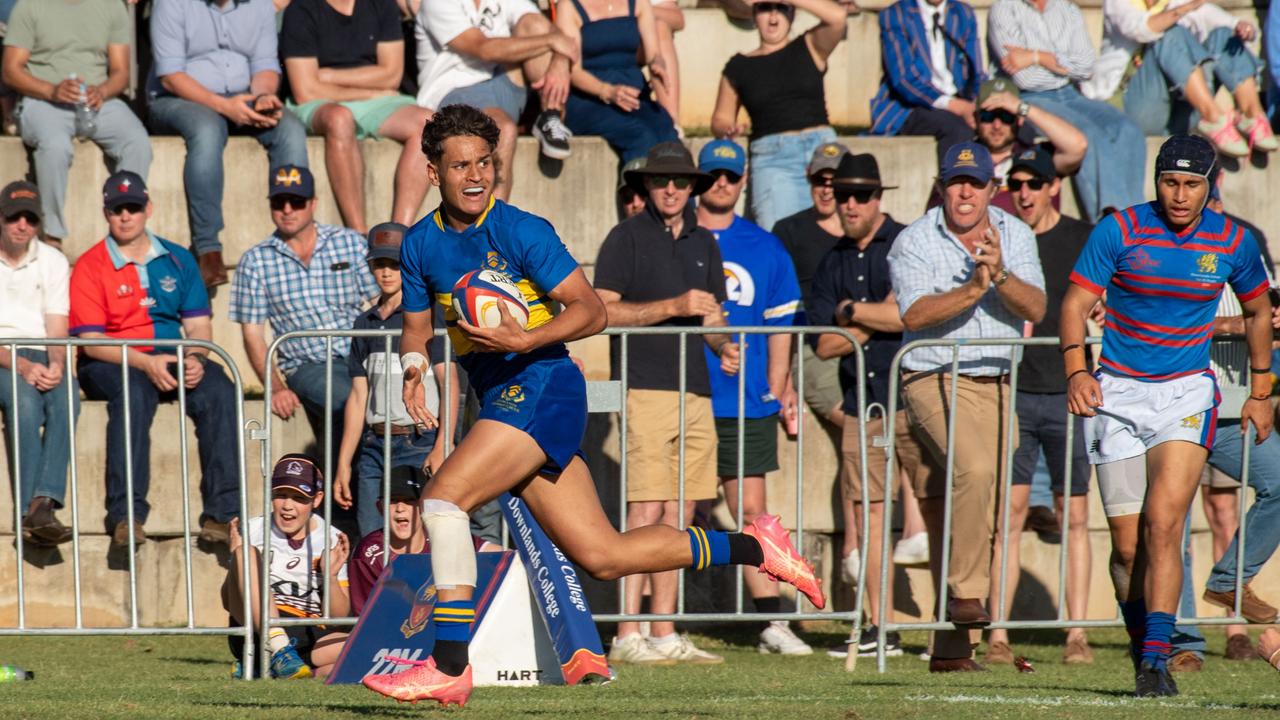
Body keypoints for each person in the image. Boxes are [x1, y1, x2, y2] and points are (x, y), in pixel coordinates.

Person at [362, 105, 822, 707]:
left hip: (544, 384)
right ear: (431, 172)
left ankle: (449, 667)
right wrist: (415, 371)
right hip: (501, 398)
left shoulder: (523, 230)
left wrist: (526, 337)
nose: (475, 176)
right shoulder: (421, 244)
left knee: (443, 500)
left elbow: (591, 310)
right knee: (603, 556)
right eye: (459, 165)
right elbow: (416, 329)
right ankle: (759, 548)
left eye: (484, 163)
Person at [1060, 135, 1273, 697]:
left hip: (1185, 397)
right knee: (1127, 548)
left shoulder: (1234, 241)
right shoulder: (1119, 231)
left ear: (1210, 186)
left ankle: (1158, 660)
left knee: (1164, 527)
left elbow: (1257, 310)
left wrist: (1260, 389)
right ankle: (1142, 645)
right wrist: (1077, 371)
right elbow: (1076, 305)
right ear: (1156, 181)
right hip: (1117, 396)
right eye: (1170, 182)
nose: (1179, 195)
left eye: (1192, 184)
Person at [888, 141, 1046, 672]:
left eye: (975, 183)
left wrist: (999, 275)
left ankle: (951, 650)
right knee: (974, 472)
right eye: (955, 182)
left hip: (1000, 382)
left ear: (991, 189)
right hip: (933, 376)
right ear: (940, 186)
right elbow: (915, 312)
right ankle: (967, 597)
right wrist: (976, 289)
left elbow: (1038, 306)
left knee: (975, 509)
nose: (964, 192)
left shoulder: (1017, 235)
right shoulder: (913, 240)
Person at [594, 141, 734, 666]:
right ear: (646, 187)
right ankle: (627, 633)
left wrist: (725, 346)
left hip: (697, 387)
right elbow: (603, 310)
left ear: (693, 187)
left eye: (680, 182)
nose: (671, 189)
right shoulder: (625, 237)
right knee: (647, 506)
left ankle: (662, 632)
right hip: (645, 385)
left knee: (684, 510)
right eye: (661, 181)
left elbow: (712, 318)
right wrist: (673, 306)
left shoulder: (705, 242)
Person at [69, 172, 241, 548]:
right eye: (117, 210)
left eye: (132, 208)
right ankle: (126, 516)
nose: (125, 216)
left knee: (219, 389)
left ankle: (223, 514)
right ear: (106, 213)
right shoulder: (90, 264)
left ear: (148, 208)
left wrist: (195, 357)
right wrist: (145, 363)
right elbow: (91, 342)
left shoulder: (177, 258)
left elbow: (198, 326)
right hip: (114, 358)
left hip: (171, 353)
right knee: (133, 393)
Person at [809, 152, 933, 659]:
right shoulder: (832, 259)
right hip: (864, 403)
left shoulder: (909, 243)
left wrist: (851, 316)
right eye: (843, 196)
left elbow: (915, 315)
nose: (850, 204)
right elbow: (823, 344)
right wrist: (875, 317)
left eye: (861, 195)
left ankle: (952, 626)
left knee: (937, 508)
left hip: (917, 396)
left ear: (879, 197)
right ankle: (881, 627)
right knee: (871, 518)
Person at [694, 139, 811, 657]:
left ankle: (771, 620)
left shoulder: (766, 247)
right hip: (688, 396)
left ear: (744, 181)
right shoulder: (682, 239)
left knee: (752, 510)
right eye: (713, 175)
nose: (722, 183)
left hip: (745, 402)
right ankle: (653, 628)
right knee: (671, 510)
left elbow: (782, 328)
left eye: (731, 175)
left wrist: (778, 387)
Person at [982, 147, 1093, 666]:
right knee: (1009, 516)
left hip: (1069, 393)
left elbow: (1105, 304)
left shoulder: (1079, 237)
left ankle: (1077, 634)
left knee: (1075, 516)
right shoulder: (996, 233)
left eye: (1034, 182)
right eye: (1017, 182)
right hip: (1014, 392)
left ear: (1053, 185)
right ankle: (997, 633)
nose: (1023, 192)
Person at [148, 0, 310, 288]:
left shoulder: (259, 6)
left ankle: (296, 233)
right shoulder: (171, 4)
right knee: (208, 129)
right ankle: (207, 247)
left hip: (243, 97)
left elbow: (265, 66)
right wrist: (224, 107)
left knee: (290, 130)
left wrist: (262, 96)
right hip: (178, 101)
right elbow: (171, 76)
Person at [1186, 185, 1280, 661]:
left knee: (1279, 482)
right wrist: (1237, 326)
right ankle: (1174, 641)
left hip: (1233, 407)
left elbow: (1262, 317)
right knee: (1165, 526)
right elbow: (1171, 324)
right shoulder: (1165, 251)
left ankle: (1228, 582)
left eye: (1211, 199)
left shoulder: (1242, 250)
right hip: (1176, 405)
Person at [229, 165, 380, 455]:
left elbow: (381, 302)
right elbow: (253, 335)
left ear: (313, 203)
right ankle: (352, 493)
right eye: (278, 202)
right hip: (308, 365)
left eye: (296, 201)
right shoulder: (256, 260)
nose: (287, 210)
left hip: (361, 354)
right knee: (350, 402)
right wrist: (275, 387)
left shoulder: (348, 242)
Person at [333, 222, 459, 538]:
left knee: (425, 537)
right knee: (372, 537)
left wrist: (444, 444)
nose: (386, 272)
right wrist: (344, 462)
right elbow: (359, 396)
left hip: (420, 441)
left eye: (395, 264)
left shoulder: (430, 315)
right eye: (379, 264)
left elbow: (450, 383)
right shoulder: (364, 322)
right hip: (374, 444)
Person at [1, 0, 152, 248]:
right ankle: (52, 236)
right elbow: (10, 70)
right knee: (55, 146)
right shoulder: (29, 6)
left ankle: (127, 228)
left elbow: (121, 72)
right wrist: (51, 91)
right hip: (43, 98)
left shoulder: (112, 6)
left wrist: (102, 91)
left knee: (137, 142)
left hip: (97, 100)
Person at [279, 0, 433, 234]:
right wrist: (371, 90)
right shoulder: (301, 10)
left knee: (428, 123)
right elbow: (305, 90)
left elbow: (391, 75)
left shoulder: (383, 6)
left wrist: (327, 75)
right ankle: (358, 236)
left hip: (375, 99)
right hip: (320, 102)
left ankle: (397, 235)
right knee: (339, 119)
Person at [987, 0, 1147, 220]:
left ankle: (1136, 219)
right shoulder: (1004, 9)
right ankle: (1108, 223)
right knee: (1091, 135)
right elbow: (1025, 78)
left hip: (1070, 93)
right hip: (1028, 96)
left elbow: (1087, 68)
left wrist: (1037, 57)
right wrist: (1064, 66)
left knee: (1129, 130)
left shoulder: (1067, 9)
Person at [710, 0, 848, 233]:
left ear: (792, 14)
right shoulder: (739, 66)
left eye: (781, 9)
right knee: (780, 239)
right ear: (754, 15)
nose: (773, 18)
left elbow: (837, 17)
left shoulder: (810, 45)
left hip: (823, 152)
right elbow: (720, 119)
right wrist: (728, 130)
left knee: (837, 237)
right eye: (765, 9)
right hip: (774, 160)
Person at [414, 0, 579, 189]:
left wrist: (559, 59)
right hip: (454, 90)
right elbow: (483, 49)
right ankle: (493, 217)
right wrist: (553, 42)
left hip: (502, 83)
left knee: (535, 24)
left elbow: (556, 36)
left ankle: (551, 116)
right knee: (503, 129)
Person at [1081, 0, 1275, 157]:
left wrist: (1242, 28)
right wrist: (1184, 10)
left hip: (1180, 113)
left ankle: (1253, 115)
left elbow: (1226, 22)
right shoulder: (1119, 3)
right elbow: (1140, 28)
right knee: (1169, 33)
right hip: (1134, 110)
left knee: (1225, 34)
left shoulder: (1176, 3)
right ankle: (1213, 116)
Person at [223, 453, 349, 679]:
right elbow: (227, 602)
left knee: (366, 647)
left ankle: (270, 667)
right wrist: (236, 557)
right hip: (255, 627)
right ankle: (278, 649)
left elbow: (338, 616)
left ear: (317, 499)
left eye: (299, 498)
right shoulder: (252, 528)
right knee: (246, 552)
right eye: (281, 495)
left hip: (308, 631)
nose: (287, 506)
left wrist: (329, 577)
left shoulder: (332, 537)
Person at [0, 180, 76, 546]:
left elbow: (57, 323)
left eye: (30, 218)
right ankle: (34, 513)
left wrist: (58, 362)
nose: (22, 226)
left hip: (43, 348)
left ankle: (41, 503)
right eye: (15, 217)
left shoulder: (53, 260)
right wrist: (22, 366)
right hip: (3, 355)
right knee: (25, 403)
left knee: (68, 396)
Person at [347, 466, 497, 615]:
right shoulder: (368, 555)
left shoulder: (441, 535)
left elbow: (494, 552)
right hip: (390, 633)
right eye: (392, 501)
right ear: (380, 508)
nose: (400, 508)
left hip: (441, 626)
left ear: (424, 506)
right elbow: (366, 621)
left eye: (410, 500)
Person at [772, 142, 848, 429]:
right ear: (808, 177)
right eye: (820, 180)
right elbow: (778, 307)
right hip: (810, 348)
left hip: (860, 345)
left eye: (835, 182)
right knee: (866, 430)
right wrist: (786, 382)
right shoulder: (788, 231)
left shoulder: (864, 231)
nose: (827, 189)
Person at [554, 0, 679, 162]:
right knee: (639, 135)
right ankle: (635, 185)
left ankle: (674, 185)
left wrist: (657, 63)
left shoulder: (639, 3)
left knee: (665, 130)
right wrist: (607, 91)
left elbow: (653, 53)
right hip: (589, 100)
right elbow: (573, 71)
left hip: (632, 97)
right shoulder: (569, 6)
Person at [869, 0, 984, 163]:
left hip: (962, 100)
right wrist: (955, 106)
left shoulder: (963, 13)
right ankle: (950, 186)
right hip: (911, 106)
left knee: (1011, 125)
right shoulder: (895, 15)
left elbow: (977, 73)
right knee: (957, 129)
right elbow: (904, 80)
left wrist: (981, 104)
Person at [962, 78, 1087, 214]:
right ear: (976, 119)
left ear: (1019, 119)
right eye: (988, 116)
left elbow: (1078, 146)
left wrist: (1023, 108)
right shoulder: (961, 159)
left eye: (1006, 116)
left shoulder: (1039, 155)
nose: (997, 126)